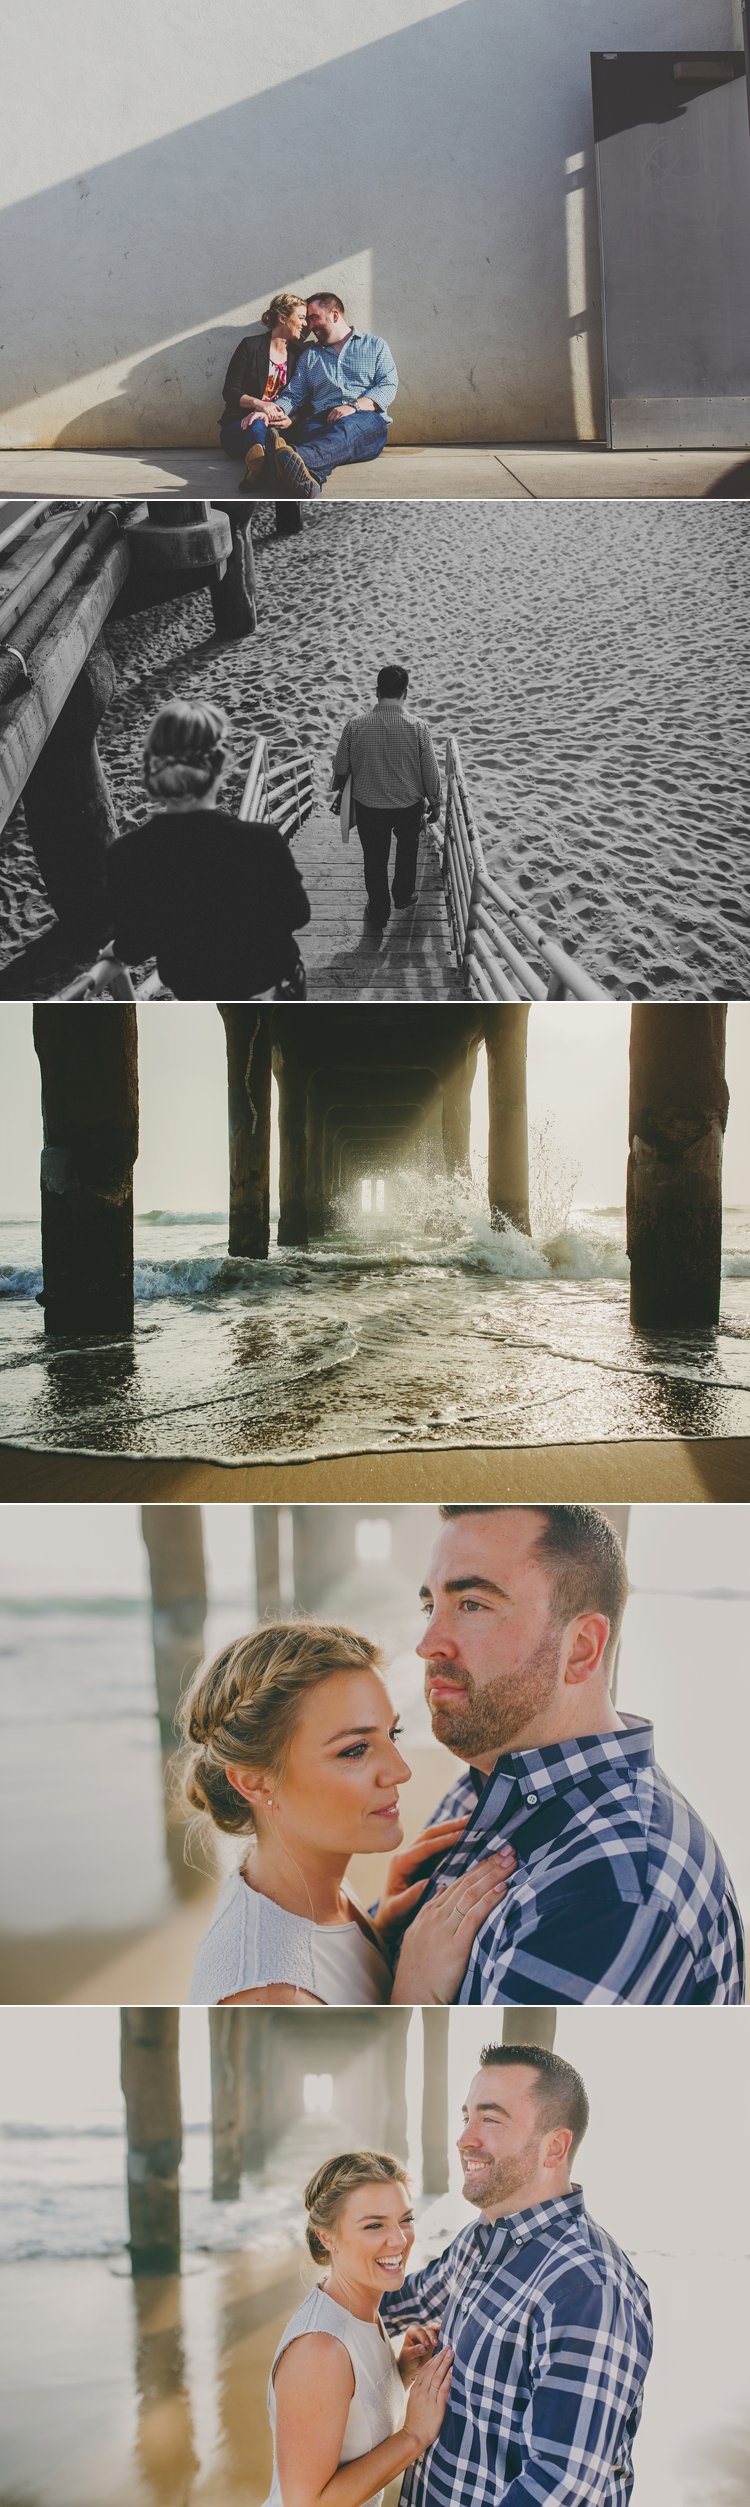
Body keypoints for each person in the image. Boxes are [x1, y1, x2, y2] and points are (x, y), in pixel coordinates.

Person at [389, 1503, 745, 2006]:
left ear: (580, 1648)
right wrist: (384, 1932)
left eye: (472, 1604)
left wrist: (412, 1992)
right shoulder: (495, 1770)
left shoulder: (612, 1895)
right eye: (431, 1608)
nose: (428, 1645)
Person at [182, 1617, 515, 2006]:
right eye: (354, 1750)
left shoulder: (306, 1889)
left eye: (392, 1735)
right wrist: (416, 1990)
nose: (400, 1771)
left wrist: (378, 1934)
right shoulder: (272, 1995)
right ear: (255, 1782)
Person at [380, 2044, 653, 2507]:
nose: (465, 2138)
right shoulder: (483, 2235)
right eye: (465, 2116)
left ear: (554, 2147)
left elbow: (560, 2488)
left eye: (491, 2119)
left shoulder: (589, 2290)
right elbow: (399, 2304)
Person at [263, 2151, 453, 2507]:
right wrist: (414, 2435)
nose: (398, 2240)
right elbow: (306, 2504)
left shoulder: (360, 2311)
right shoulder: (319, 2350)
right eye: (374, 2225)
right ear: (327, 2237)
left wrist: (399, 2373)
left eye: (405, 2219)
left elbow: (351, 2415)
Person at [106, 700, 312, 1000]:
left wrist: (112, 953)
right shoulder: (261, 841)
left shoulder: (126, 855)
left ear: (153, 764)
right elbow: (298, 914)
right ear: (219, 763)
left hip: (199, 994)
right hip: (271, 986)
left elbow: (136, 945)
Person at [250, 292, 398, 498]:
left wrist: (353, 407)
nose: (309, 326)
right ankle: (309, 481)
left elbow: (388, 385)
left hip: (365, 422)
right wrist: (271, 411)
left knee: (349, 427)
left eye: (313, 318)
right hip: (319, 423)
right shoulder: (310, 355)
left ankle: (283, 462)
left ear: (334, 315)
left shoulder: (375, 345)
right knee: (317, 437)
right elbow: (294, 395)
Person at [333, 665, 442, 933]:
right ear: (405, 692)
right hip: (408, 805)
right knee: (407, 850)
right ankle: (403, 896)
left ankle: (379, 910)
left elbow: (340, 768)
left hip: (369, 806)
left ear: (377, 691)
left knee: (374, 858)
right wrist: (436, 801)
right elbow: (430, 769)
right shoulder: (418, 727)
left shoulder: (355, 725)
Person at [219, 292, 311, 487]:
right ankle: (264, 464)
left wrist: (291, 419)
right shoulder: (250, 346)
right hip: (240, 427)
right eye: (301, 318)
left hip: (281, 430)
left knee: (272, 435)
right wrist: (260, 406)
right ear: (283, 318)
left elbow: (306, 398)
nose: (305, 324)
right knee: (257, 424)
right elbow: (230, 391)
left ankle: (256, 472)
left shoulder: (300, 354)